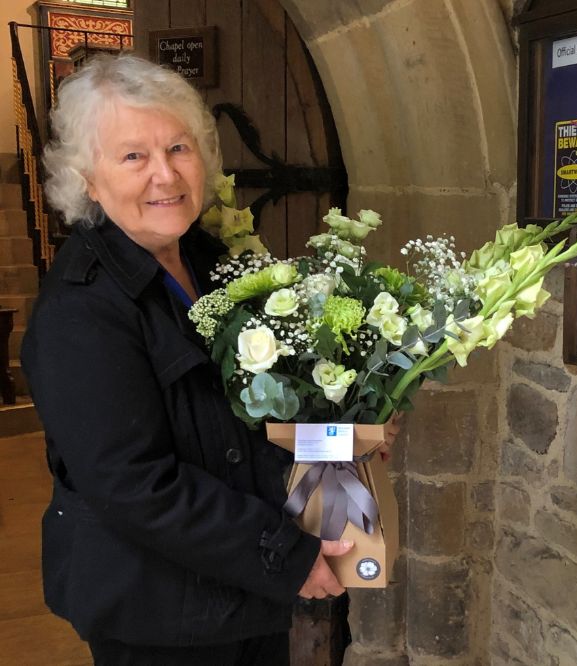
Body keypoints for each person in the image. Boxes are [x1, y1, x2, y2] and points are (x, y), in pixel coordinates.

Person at [22, 54, 397, 665]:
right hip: (159, 613)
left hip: (237, 593)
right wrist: (286, 553)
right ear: (88, 178)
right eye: (133, 156)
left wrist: (344, 431)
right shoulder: (81, 312)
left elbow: (254, 410)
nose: (165, 176)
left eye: (178, 148)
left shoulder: (211, 262)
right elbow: (135, 484)